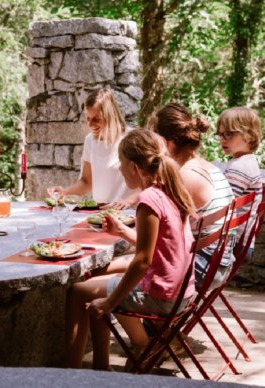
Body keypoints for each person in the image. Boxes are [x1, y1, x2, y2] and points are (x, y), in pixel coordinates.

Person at [64, 128, 195, 370]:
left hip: (161, 296)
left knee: (77, 292)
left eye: (121, 164)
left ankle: (71, 373)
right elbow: (161, 246)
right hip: (181, 293)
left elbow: (142, 261)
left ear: (134, 167)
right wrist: (123, 231)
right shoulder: (170, 190)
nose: (120, 170)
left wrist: (110, 302)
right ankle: (101, 367)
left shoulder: (148, 201)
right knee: (97, 284)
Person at [149, 103, 234, 289]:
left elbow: (162, 234)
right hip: (220, 260)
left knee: (123, 265)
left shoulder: (185, 176)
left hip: (204, 266)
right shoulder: (204, 165)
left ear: (167, 142)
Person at [49, 88, 139, 209]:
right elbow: (86, 182)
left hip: (129, 216)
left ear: (110, 115)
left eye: (96, 119)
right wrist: (64, 193)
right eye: (87, 118)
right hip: (101, 216)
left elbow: (152, 183)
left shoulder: (132, 138)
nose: (90, 124)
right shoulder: (90, 140)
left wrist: (128, 201)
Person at [217, 106, 263, 260]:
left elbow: (222, 203)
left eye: (229, 134)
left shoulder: (240, 167)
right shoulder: (246, 161)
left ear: (249, 136)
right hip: (243, 240)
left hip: (233, 244)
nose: (223, 139)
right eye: (220, 134)